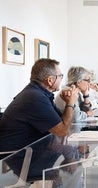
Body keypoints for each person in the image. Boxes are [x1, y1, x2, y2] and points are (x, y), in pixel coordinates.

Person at [0, 58, 81, 186]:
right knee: (73, 153)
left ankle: (62, 181)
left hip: (31, 150)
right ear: (50, 80)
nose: (61, 79)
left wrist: (67, 103)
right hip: (21, 157)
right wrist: (71, 103)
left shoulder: (39, 94)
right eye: (60, 76)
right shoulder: (34, 98)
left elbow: (61, 122)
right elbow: (62, 130)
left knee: (72, 151)